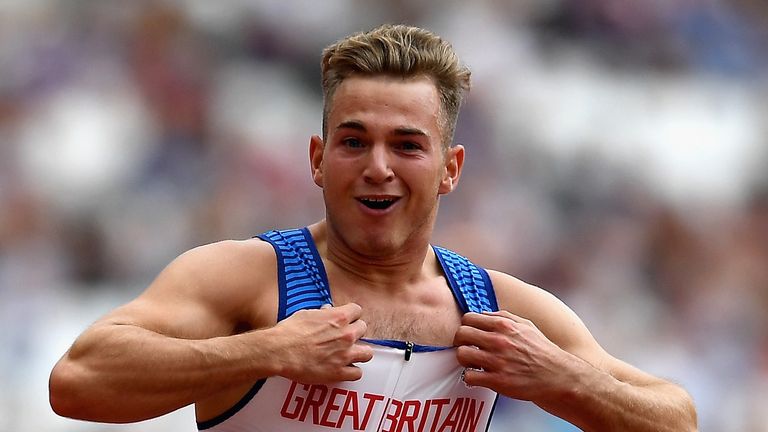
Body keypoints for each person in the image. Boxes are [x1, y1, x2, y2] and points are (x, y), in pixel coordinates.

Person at [49, 24, 697, 431]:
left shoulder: (495, 311)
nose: (378, 167)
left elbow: (677, 418)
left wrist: (567, 381)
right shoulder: (248, 278)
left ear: (450, 168)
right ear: (317, 159)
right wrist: (265, 352)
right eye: (354, 141)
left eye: (407, 145)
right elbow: (77, 382)